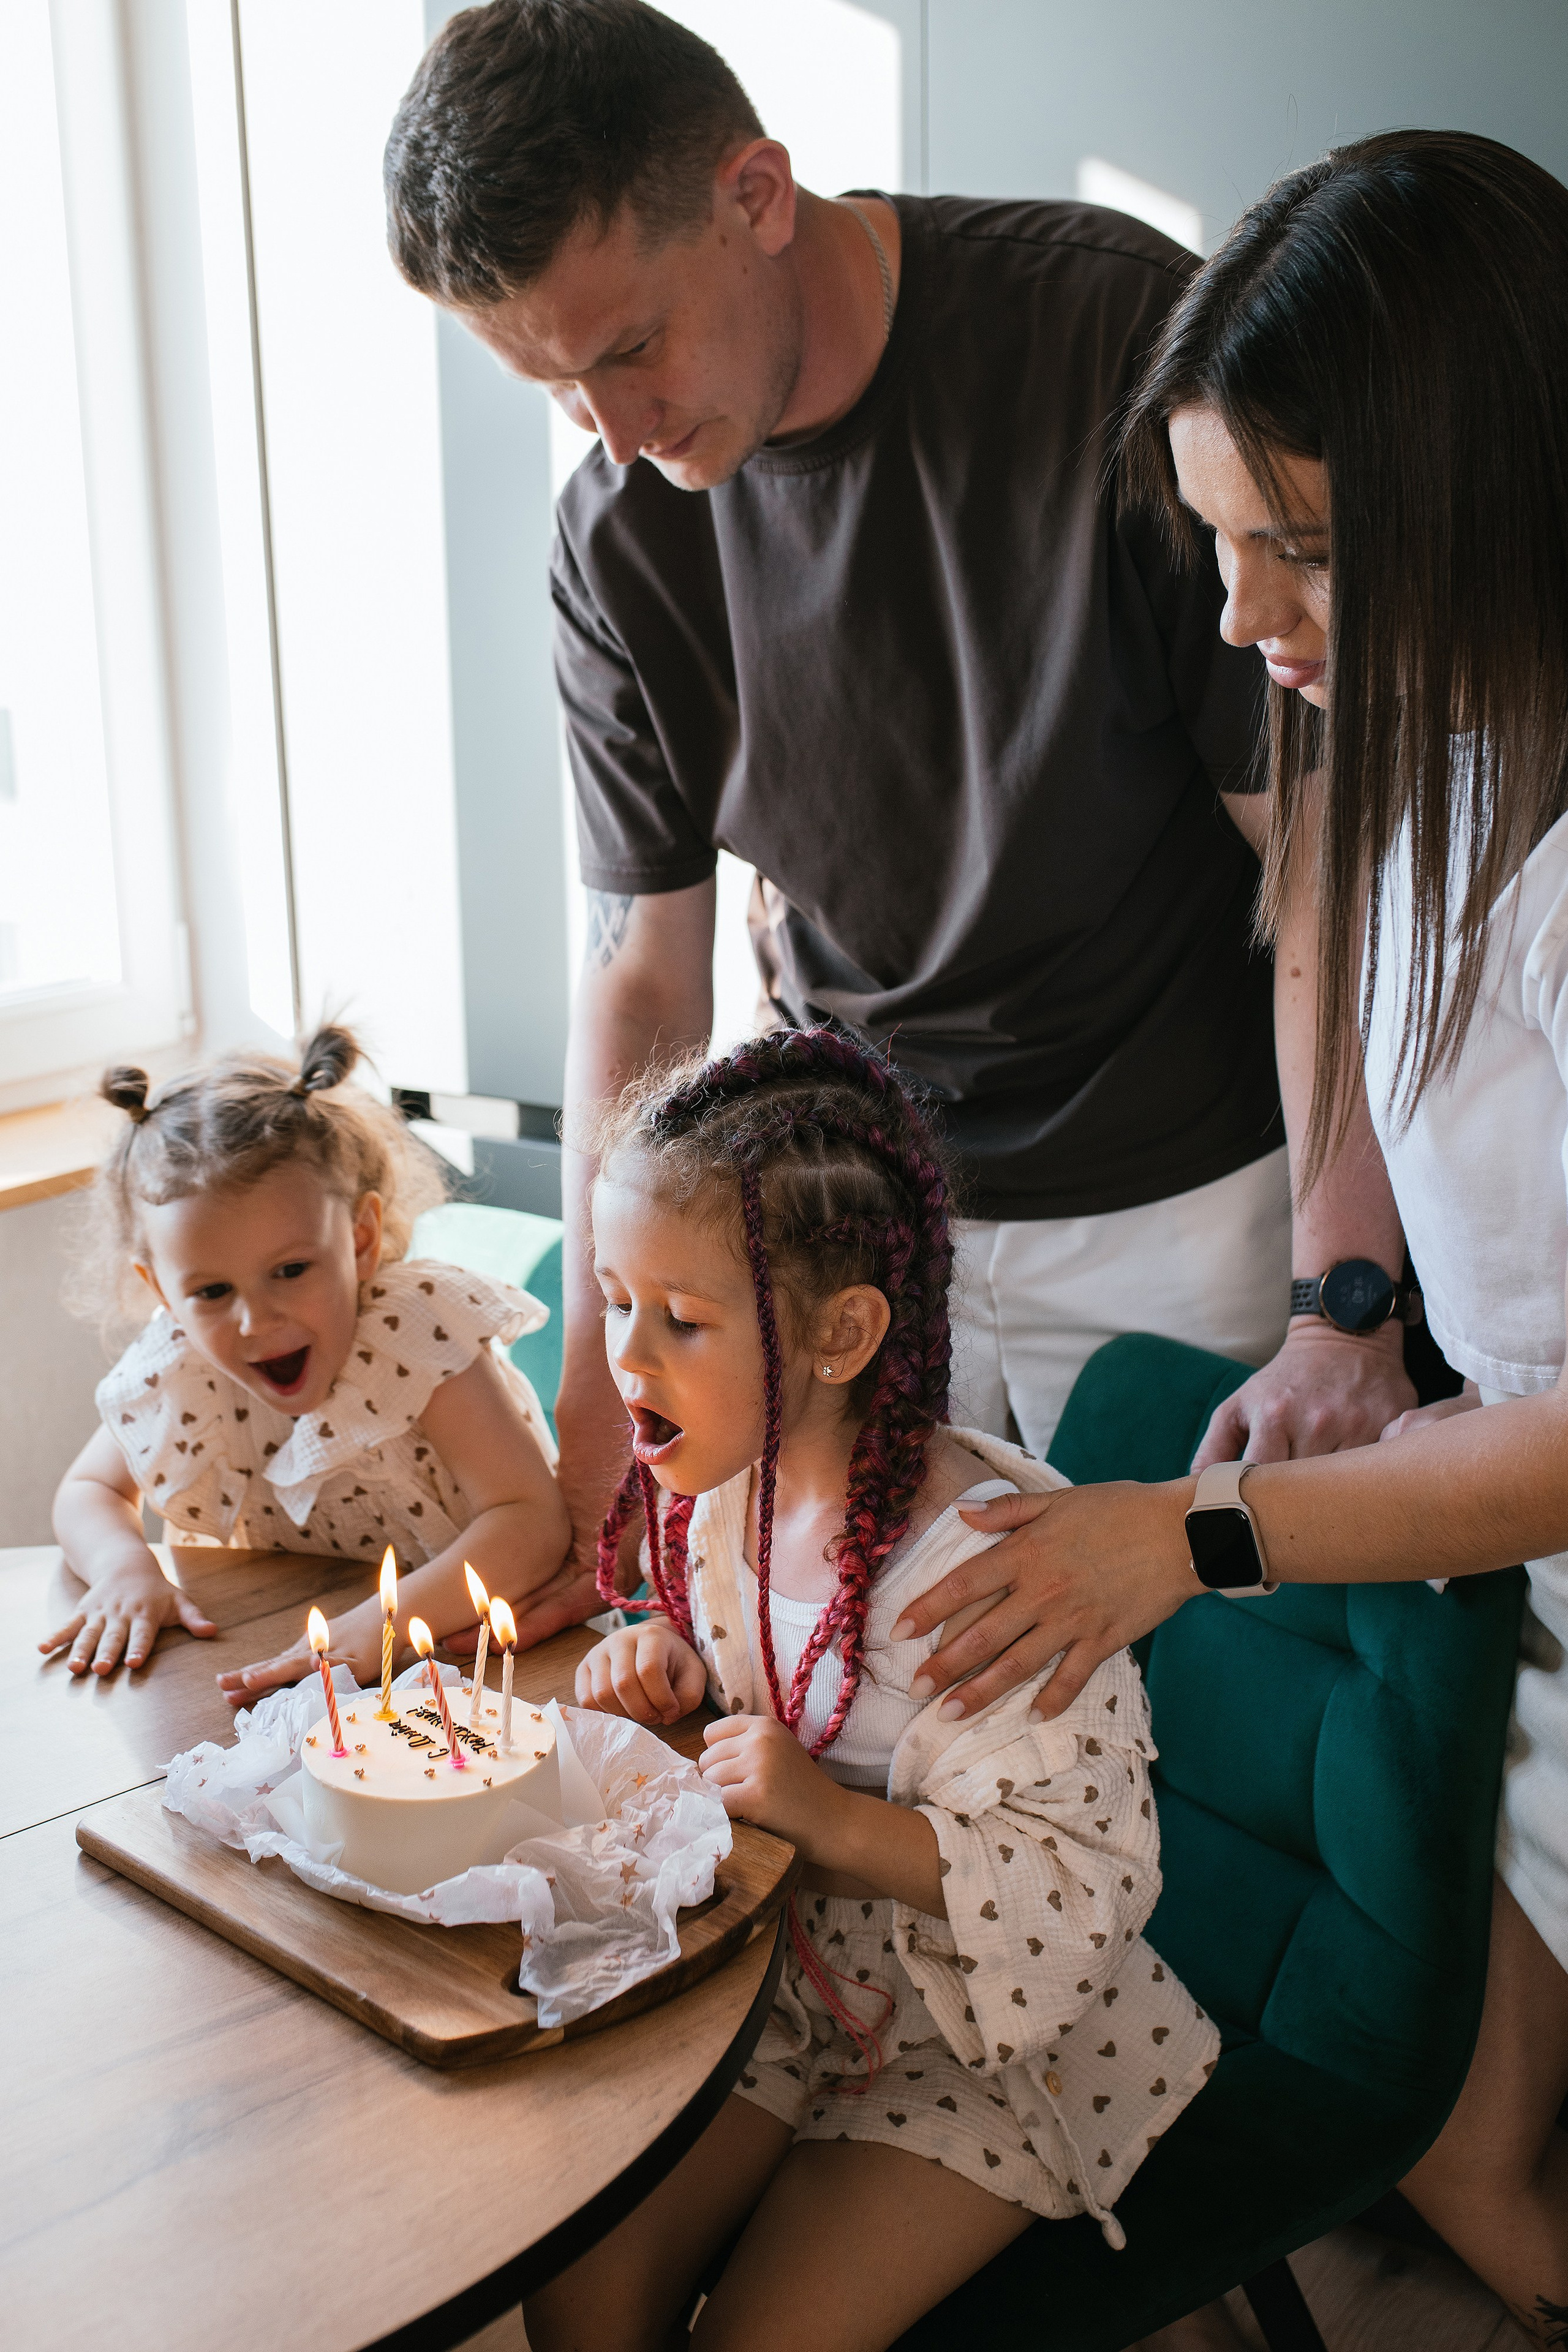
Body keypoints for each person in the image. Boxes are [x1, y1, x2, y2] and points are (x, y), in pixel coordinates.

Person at [382, 0, 1376, 1626]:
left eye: (629, 347)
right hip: (850, 1228)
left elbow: (1317, 867)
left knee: (1172, 1755)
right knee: (881, 1724)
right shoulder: (620, 531)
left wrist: (1345, 1297)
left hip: (1174, 1198)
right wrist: (588, 1412)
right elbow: (644, 966)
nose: (616, 436)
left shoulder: (1109, 340)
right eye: (556, 390)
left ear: (757, 196)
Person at [880, 132, 1568, 2345]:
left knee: (1464, 2129)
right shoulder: (1398, 706)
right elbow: (1344, 961)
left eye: (1295, 553)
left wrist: (1177, 1544)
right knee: (1459, 2128)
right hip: (1491, 1491)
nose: (1235, 621)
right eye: (1208, 544)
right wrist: (1342, 1295)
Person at [526, 1026, 1215, 2352]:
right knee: (579, 2296)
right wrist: (672, 1668)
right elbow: (760, 1681)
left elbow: (1085, 1885)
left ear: (841, 1334)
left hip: (984, 2047)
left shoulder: (992, 1573)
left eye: (680, 1318)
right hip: (779, 1986)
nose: (628, 1356)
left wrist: (827, 1821)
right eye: (615, 1298)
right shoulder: (721, 1483)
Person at [43, 1027, 571, 1700]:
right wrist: (123, 1568)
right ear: (162, 1294)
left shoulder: (415, 1334)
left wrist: (377, 1626)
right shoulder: (179, 1364)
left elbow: (529, 1521)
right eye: (210, 1292)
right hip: (268, 1654)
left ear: (360, 1240)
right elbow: (90, 1492)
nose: (255, 1321)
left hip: (458, 1663)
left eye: (290, 1270)